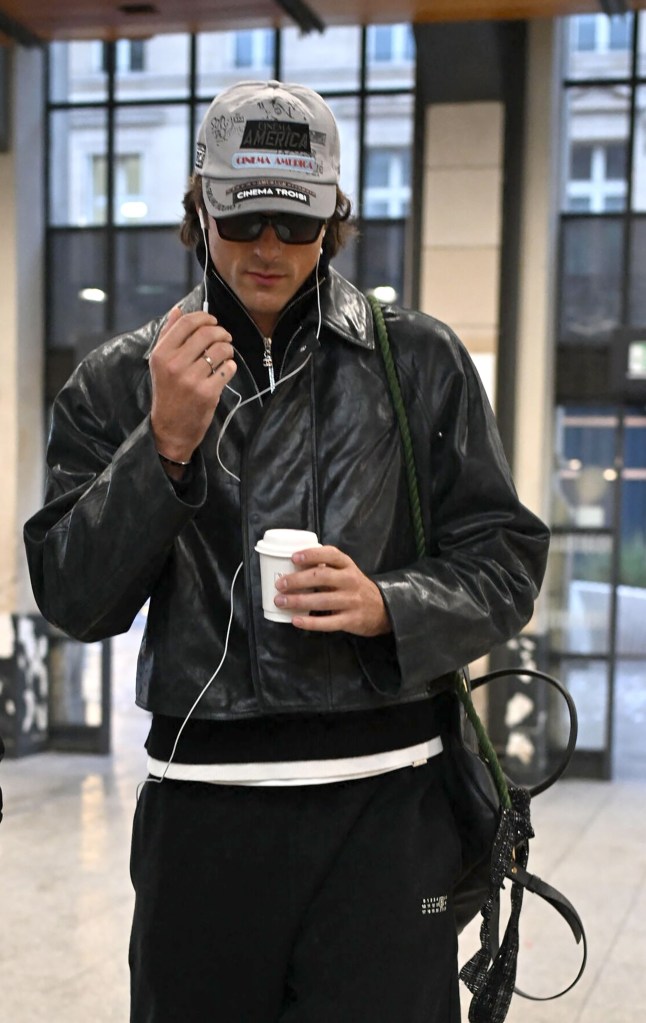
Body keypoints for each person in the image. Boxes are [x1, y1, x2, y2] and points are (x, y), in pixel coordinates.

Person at [24, 79, 550, 1022]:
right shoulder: (119, 380)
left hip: (389, 808)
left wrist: (391, 602)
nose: (269, 248)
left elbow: (505, 556)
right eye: (245, 217)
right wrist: (165, 446)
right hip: (204, 810)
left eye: (296, 224)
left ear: (334, 220)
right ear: (200, 209)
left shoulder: (416, 360)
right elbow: (71, 599)